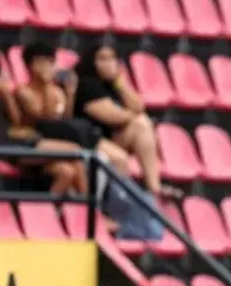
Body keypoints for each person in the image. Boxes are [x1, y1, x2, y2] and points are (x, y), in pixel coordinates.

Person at [0, 42, 85, 195]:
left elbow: (17, 122)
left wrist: (7, 96)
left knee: (66, 172)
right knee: (75, 151)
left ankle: (45, 214)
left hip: (12, 139)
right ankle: (91, 210)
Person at [73, 42, 182, 199]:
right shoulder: (86, 84)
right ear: (92, 62)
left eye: (112, 58)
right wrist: (134, 115)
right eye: (102, 59)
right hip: (90, 140)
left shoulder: (114, 85)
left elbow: (138, 106)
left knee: (143, 125)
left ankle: (154, 186)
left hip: (112, 138)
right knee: (139, 123)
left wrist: (119, 82)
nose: (109, 63)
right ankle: (121, 203)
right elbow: (113, 117)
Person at [15, 41, 131, 180]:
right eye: (42, 62)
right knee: (75, 161)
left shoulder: (57, 91)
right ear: (30, 65)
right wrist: (46, 85)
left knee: (120, 159)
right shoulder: (24, 91)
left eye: (51, 62)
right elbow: (45, 117)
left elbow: (65, 117)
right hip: (45, 139)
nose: (48, 67)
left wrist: (70, 95)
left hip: (73, 135)